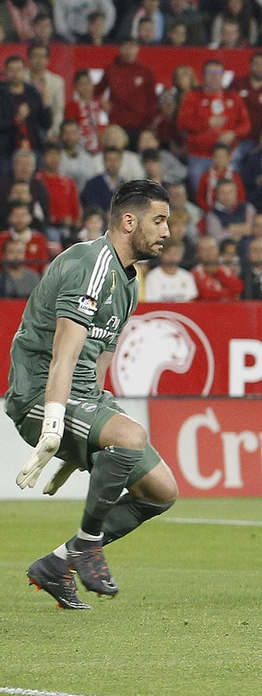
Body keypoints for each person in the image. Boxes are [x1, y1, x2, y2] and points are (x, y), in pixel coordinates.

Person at [10, 180, 181, 610]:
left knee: (161, 491)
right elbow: (63, 357)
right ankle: (87, 545)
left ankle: (55, 564)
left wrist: (79, 444)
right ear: (129, 221)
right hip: (40, 393)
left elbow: (100, 363)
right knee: (130, 435)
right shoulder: (90, 265)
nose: (167, 232)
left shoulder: (129, 283)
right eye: (158, 221)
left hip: (82, 396)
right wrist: (53, 427)